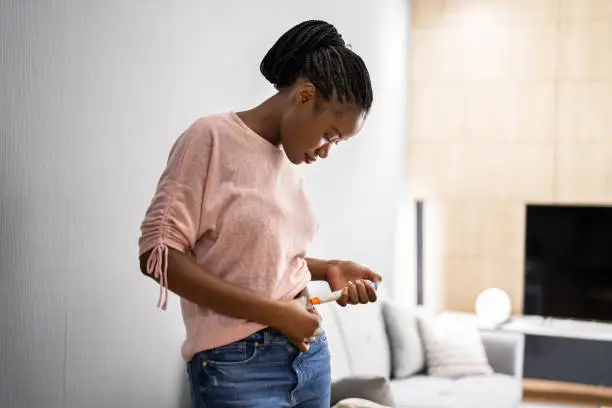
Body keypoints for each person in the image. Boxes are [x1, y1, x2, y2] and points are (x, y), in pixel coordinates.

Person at [138, 19, 380, 408]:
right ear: (304, 96)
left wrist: (328, 268)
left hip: (310, 358)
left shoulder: (289, 160)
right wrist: (277, 314)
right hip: (236, 366)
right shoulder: (211, 138)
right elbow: (158, 255)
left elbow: (257, 257)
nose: (326, 151)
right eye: (329, 135)